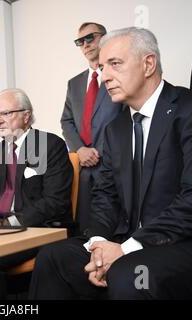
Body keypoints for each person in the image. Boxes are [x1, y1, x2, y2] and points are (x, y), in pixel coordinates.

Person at [29, 27, 192, 299]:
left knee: (131, 273)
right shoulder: (115, 129)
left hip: (189, 243)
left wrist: (128, 248)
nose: (105, 76)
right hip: (128, 241)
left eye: (115, 64)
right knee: (54, 256)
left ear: (148, 64)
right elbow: (105, 196)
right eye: (103, 66)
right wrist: (98, 243)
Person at [0, 88, 74, 299]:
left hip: (39, 230)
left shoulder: (50, 145)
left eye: (5, 113)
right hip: (1, 232)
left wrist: (10, 224)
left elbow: (55, 202)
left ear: (26, 115)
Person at [60, 22, 122, 235]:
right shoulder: (74, 83)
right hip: (83, 168)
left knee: (115, 227)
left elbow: (127, 117)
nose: (85, 44)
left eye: (90, 37)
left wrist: (100, 151)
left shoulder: (118, 74)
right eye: (80, 41)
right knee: (84, 229)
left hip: (115, 165)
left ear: (104, 37)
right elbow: (66, 121)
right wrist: (80, 149)